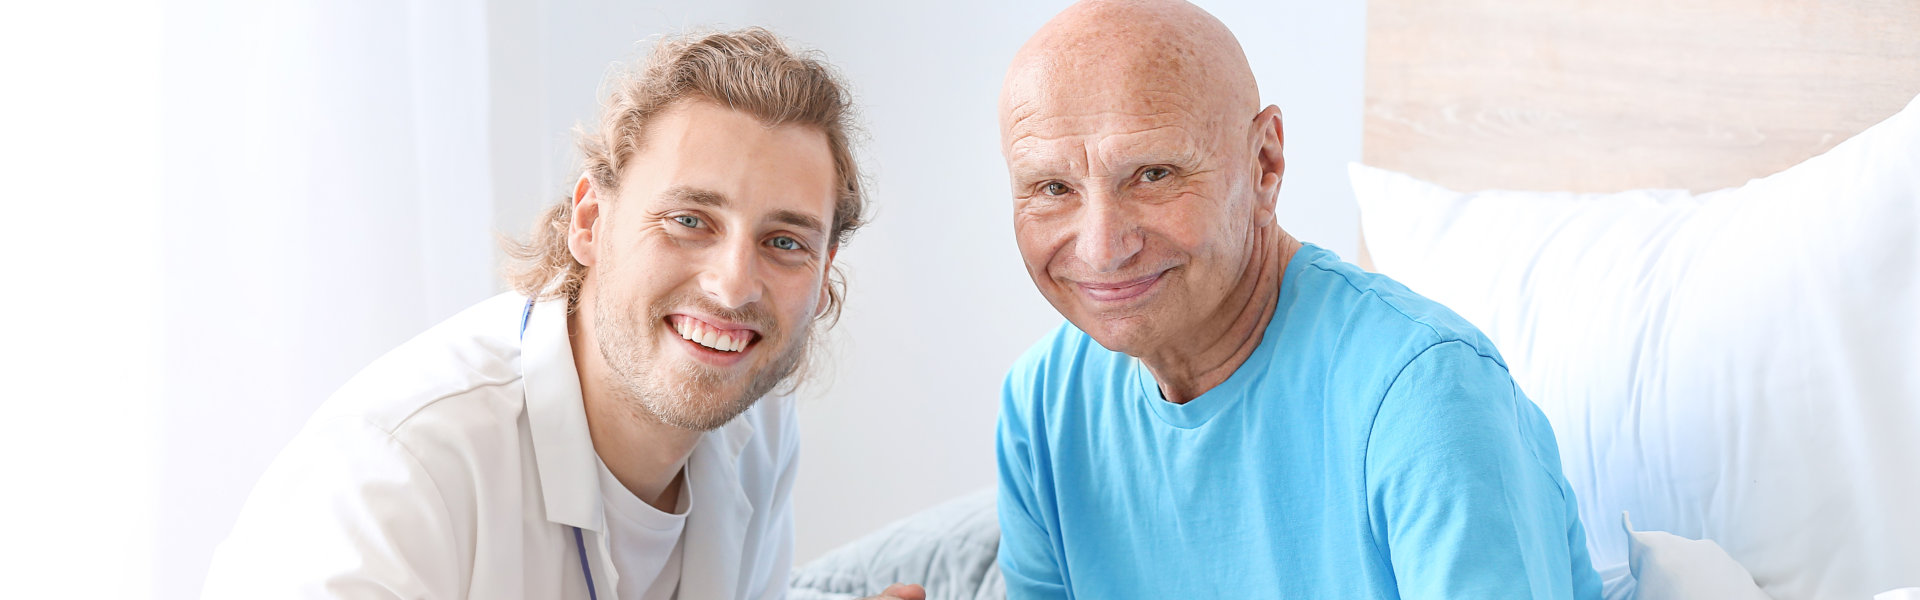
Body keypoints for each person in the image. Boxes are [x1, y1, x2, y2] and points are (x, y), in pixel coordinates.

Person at [204, 28, 923, 600]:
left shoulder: (753, 418)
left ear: (825, 273)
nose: (735, 287)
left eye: (785, 242)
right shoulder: (399, 473)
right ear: (589, 221)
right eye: (688, 220)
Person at [991, 1, 1604, 598]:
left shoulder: (1426, 394)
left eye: (1154, 174)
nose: (1101, 249)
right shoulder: (1043, 405)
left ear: (1265, 163)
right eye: (1052, 187)